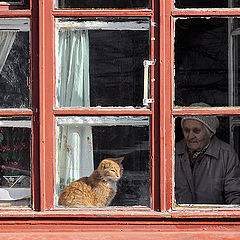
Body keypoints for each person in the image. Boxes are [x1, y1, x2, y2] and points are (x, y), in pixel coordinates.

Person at [175, 103, 240, 204]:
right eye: (187, 130)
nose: (190, 136)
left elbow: (235, 195)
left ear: (211, 132)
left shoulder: (226, 155)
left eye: (196, 131)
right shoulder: (173, 152)